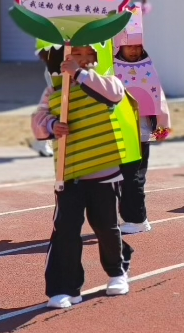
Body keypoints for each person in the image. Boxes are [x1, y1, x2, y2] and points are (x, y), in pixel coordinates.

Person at [32, 44, 137, 308]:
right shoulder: (55, 88)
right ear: (65, 57)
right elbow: (39, 120)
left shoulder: (106, 80)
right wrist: (52, 125)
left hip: (103, 172)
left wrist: (80, 73)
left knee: (106, 227)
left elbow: (114, 95)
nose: (85, 59)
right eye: (77, 54)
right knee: (66, 230)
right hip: (69, 173)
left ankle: (117, 272)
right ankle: (65, 288)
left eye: (91, 54)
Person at [114, 4, 172, 234]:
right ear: (120, 46)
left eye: (138, 46)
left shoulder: (147, 66)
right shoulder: (113, 67)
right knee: (122, 178)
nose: (135, 51)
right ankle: (129, 217)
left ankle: (138, 219)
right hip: (119, 130)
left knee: (134, 177)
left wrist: (163, 125)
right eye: (130, 47)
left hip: (141, 132)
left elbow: (159, 96)